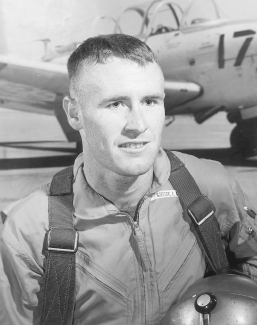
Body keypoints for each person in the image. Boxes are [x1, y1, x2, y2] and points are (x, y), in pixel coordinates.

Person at [0, 34, 257, 325]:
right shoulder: (27, 229)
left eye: (150, 101)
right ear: (75, 113)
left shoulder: (212, 185)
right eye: (115, 104)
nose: (138, 125)